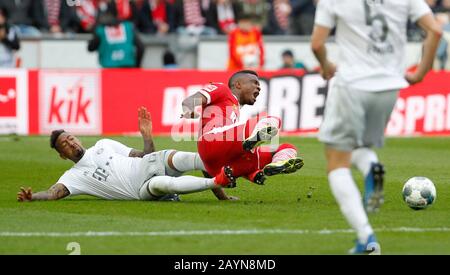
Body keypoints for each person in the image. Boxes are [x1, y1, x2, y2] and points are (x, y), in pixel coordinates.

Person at [311, 0, 442, 253]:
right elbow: (435, 30)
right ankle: (372, 168)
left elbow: (317, 44)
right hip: (389, 86)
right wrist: (420, 74)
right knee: (360, 147)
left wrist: (326, 66)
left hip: (352, 84)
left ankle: (366, 238)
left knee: (337, 161)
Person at [17, 107, 235, 202]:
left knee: (189, 158)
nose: (71, 143)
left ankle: (223, 192)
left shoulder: (103, 144)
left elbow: (145, 154)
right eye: (65, 144)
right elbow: (52, 193)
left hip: (148, 163)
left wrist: (146, 135)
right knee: (163, 184)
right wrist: (32, 197)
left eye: (71, 138)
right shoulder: (73, 177)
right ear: (62, 155)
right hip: (140, 189)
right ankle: (217, 181)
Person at [181, 70, 304, 187]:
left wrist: (223, 198)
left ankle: (273, 165)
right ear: (238, 84)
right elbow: (189, 100)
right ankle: (254, 139)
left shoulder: (235, 110)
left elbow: (210, 163)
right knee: (272, 119)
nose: (259, 88)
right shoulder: (222, 89)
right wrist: (188, 109)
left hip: (216, 165)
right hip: (211, 140)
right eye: (254, 83)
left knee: (286, 148)